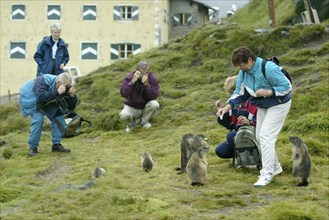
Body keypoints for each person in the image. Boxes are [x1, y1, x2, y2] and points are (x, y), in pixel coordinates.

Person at [217, 47, 292, 187]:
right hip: (263, 105)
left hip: (279, 104)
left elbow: (287, 86)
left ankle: (267, 174)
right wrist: (227, 107)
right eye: (238, 66)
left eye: (242, 64)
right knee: (258, 137)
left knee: (266, 136)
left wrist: (269, 92)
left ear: (250, 60)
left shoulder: (268, 68)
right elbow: (240, 93)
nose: (241, 68)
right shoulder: (243, 73)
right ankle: (275, 169)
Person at [19, 72, 78, 157]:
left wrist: (72, 96)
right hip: (29, 97)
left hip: (46, 99)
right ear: (58, 83)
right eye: (66, 86)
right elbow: (41, 97)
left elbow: (70, 108)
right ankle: (33, 147)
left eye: (68, 86)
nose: (66, 88)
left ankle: (56, 145)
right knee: (38, 119)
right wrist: (58, 92)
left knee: (59, 115)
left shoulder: (63, 86)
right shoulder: (43, 80)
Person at [214, 75, 257, 159]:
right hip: (239, 135)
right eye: (230, 93)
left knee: (231, 137)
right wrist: (222, 111)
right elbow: (229, 124)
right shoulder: (234, 104)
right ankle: (243, 155)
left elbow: (262, 122)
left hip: (252, 134)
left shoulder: (254, 102)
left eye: (232, 92)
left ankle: (252, 153)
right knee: (220, 151)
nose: (231, 95)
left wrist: (249, 123)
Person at [119, 60, 160, 133]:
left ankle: (144, 121)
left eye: (146, 71)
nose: (143, 73)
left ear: (148, 70)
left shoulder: (152, 78)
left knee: (155, 104)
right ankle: (131, 125)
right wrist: (132, 81)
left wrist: (147, 85)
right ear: (137, 70)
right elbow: (124, 94)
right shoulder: (129, 77)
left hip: (145, 107)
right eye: (142, 70)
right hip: (132, 107)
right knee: (123, 115)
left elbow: (154, 96)